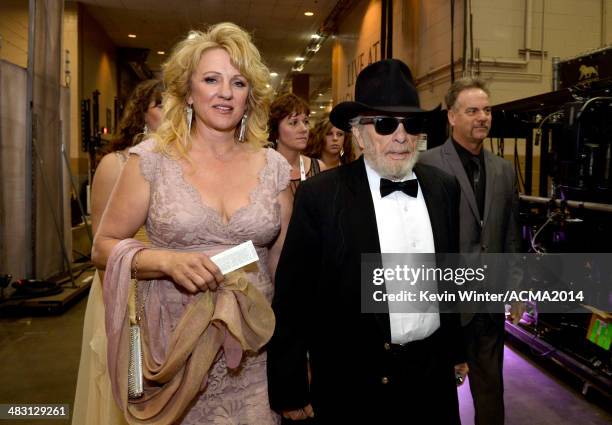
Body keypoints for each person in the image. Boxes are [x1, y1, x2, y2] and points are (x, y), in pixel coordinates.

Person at [92, 22, 292, 424]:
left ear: (249, 95)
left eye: (238, 83)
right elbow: (103, 246)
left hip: (254, 352)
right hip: (173, 351)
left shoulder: (274, 167)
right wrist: (165, 261)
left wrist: (294, 349)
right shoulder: (150, 161)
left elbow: (283, 266)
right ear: (187, 91)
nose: (224, 93)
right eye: (212, 79)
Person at [267, 59, 467, 424]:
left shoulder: (442, 187)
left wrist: (456, 351)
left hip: (431, 380)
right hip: (353, 386)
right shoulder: (321, 196)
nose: (401, 137)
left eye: (412, 124)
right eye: (386, 124)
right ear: (358, 134)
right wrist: (290, 386)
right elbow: (293, 297)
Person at [419, 77, 521, 425]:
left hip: (488, 302)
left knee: (491, 389)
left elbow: (509, 235)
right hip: (444, 302)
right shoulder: (427, 166)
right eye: (473, 110)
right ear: (451, 117)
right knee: (436, 391)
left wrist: (517, 291)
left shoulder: (504, 171)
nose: (483, 117)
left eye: (488, 110)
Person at [72, 78, 163, 425]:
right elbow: (101, 245)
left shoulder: (181, 162)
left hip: (165, 281)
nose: (169, 112)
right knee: (127, 379)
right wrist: (120, 304)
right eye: (159, 105)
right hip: (124, 284)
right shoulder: (117, 163)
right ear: (142, 115)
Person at [269, 93, 324, 194]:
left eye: (306, 122)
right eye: (294, 122)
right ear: (276, 129)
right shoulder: (263, 169)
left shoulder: (318, 168)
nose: (304, 129)